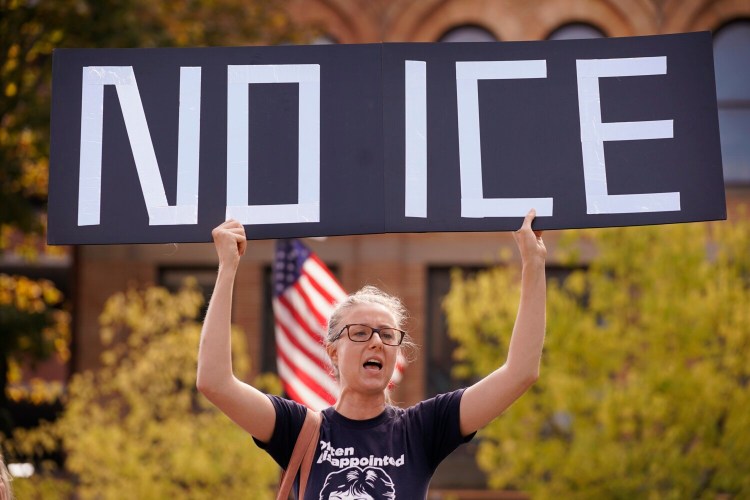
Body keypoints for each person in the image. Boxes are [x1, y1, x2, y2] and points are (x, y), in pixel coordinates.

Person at [197, 209, 546, 499]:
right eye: (360, 333)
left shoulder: (421, 430)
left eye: (387, 335)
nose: (376, 342)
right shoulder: (300, 430)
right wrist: (227, 267)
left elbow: (520, 372)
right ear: (333, 352)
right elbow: (215, 382)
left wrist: (533, 263)